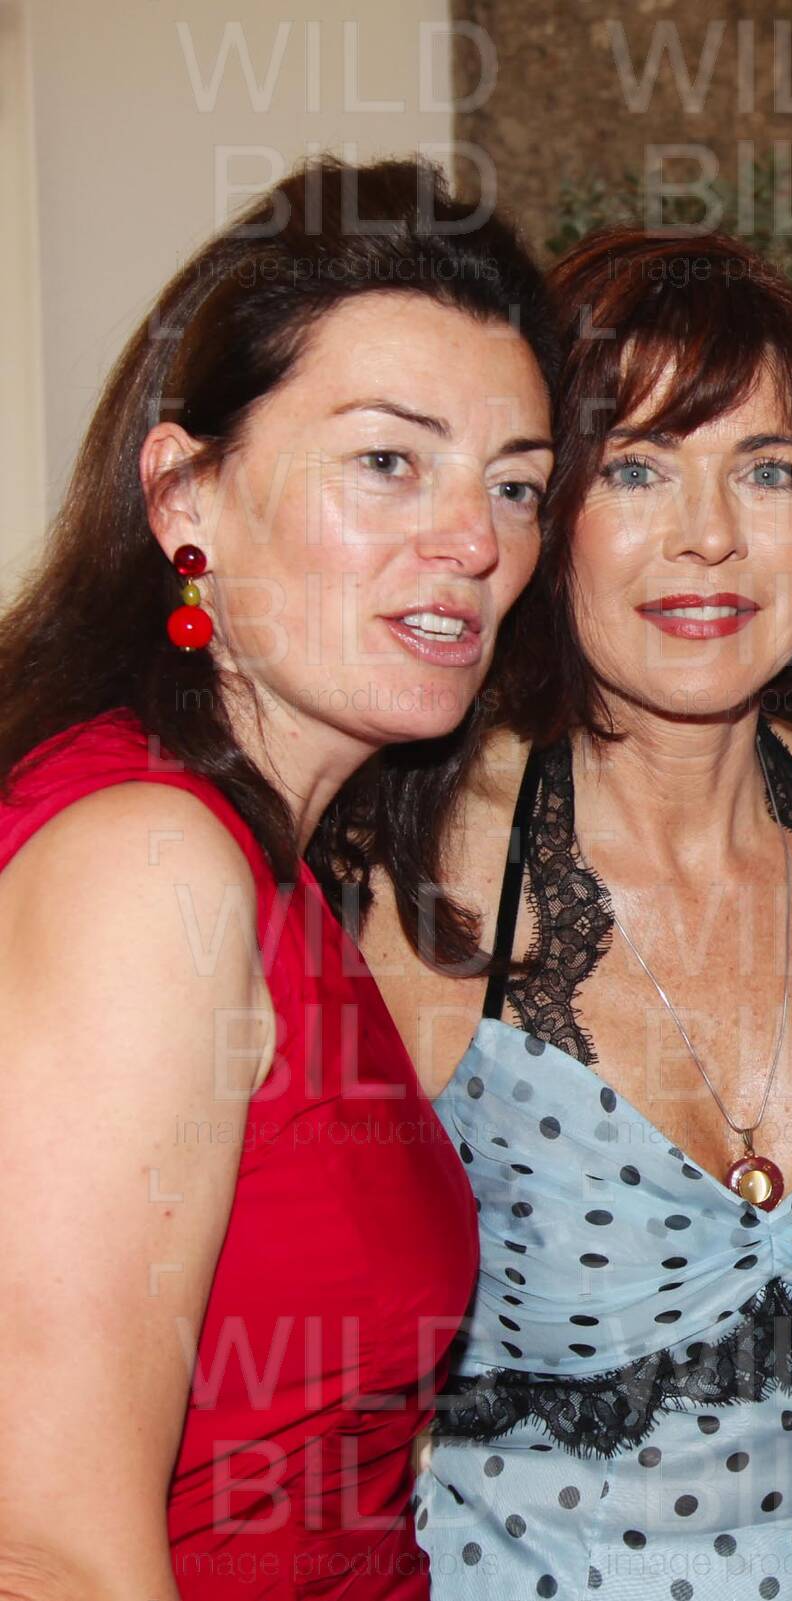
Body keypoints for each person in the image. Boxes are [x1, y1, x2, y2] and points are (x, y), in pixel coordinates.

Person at [360, 227, 792, 1598]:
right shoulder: (424, 869)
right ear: (544, 512)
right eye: (636, 469)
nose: (710, 535)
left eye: (769, 470)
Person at [0, 160, 556, 1597]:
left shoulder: (277, 866)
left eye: (515, 485)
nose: (476, 541)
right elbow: (46, 1544)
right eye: (389, 462)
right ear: (185, 494)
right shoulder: (146, 863)